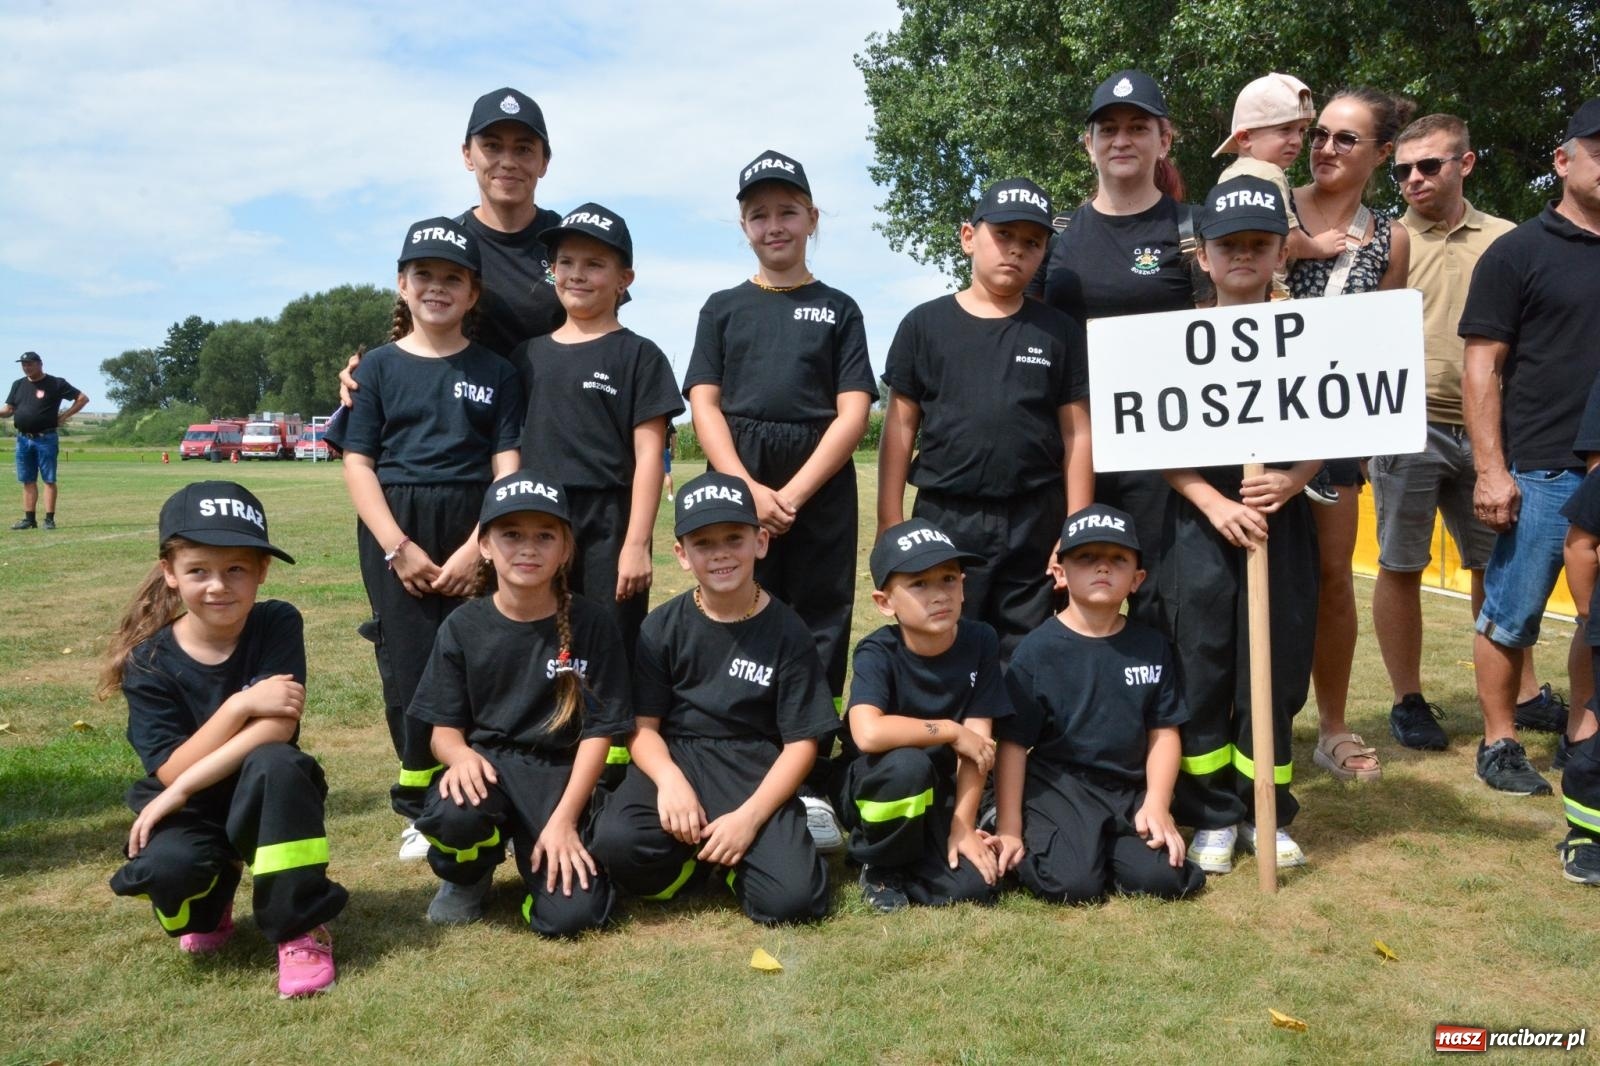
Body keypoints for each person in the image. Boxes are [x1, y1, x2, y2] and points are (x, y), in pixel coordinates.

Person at [683, 150, 876, 850]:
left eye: (787, 212)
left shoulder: (839, 309)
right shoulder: (723, 307)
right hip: (738, 482)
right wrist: (743, 489)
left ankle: (814, 778)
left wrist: (791, 493)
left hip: (816, 486)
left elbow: (853, 411)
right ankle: (732, 757)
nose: (774, 225)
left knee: (819, 621)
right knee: (733, 613)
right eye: (759, 214)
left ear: (812, 219)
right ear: (743, 225)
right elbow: (704, 403)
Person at [101, 481, 346, 999]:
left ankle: (298, 929)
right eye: (198, 571)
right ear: (170, 572)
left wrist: (180, 783)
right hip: (188, 808)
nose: (219, 586)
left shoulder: (276, 621)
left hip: (265, 798)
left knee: (278, 764)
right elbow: (168, 769)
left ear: (261, 571)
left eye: (236, 568)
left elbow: (276, 727)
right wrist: (238, 705)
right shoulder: (147, 661)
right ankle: (211, 901)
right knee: (169, 877)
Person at [328, 217, 524, 856]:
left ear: (473, 294)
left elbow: (506, 465)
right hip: (398, 524)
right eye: (424, 276)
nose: (436, 288)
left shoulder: (497, 370)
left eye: (452, 278)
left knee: (479, 657)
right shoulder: (377, 369)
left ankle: (479, 785)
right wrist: (397, 546)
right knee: (410, 665)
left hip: (474, 520)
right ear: (402, 286)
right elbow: (359, 462)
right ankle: (420, 801)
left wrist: (480, 544)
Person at [588, 472, 835, 925]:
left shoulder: (788, 630)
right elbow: (642, 728)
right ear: (682, 554)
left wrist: (751, 818)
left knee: (794, 903)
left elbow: (803, 743)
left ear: (760, 541)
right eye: (703, 543)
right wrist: (669, 781)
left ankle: (736, 861)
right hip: (681, 757)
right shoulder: (661, 627)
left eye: (734, 538)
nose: (721, 553)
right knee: (617, 844)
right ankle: (691, 865)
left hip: (754, 766)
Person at [1165, 176, 1322, 873]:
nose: (1244, 256)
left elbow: (1338, 419)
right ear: (1204, 254)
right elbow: (1147, 440)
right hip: (1201, 523)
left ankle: (1269, 810)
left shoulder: (1311, 332)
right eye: (1229, 245)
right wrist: (1211, 500)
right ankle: (1213, 815)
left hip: (1278, 521)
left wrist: (1293, 479)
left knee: (1277, 666)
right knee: (1203, 663)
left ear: (1281, 252)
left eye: (1260, 243)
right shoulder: (1169, 338)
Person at [879, 177, 1091, 662]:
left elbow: (1077, 432)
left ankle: (1016, 739)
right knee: (944, 636)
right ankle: (949, 736)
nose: (1016, 251)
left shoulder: (1057, 331)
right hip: (946, 515)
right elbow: (899, 427)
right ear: (968, 237)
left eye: (1032, 243)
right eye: (1004, 236)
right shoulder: (923, 325)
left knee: (1026, 646)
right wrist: (890, 521)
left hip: (1034, 515)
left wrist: (1073, 527)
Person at [408, 472, 630, 933]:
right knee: (456, 811)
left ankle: (539, 877)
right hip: (491, 768)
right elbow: (443, 731)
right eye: (511, 535)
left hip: (561, 777)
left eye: (544, 536)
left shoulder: (593, 623)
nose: (528, 548)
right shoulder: (462, 627)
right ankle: (468, 876)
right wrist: (461, 755)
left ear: (565, 548)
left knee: (575, 918)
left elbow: (599, 732)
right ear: (485, 545)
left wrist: (565, 820)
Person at [1461, 97, 1600, 795]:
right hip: (1544, 467)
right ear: (1563, 159)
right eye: (1598, 148)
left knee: (1596, 619)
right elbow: (1481, 364)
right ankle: (1499, 742)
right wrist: (1491, 469)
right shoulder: (1517, 251)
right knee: (1511, 612)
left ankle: (1583, 738)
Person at [1370, 114, 1519, 755]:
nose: (1413, 180)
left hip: (1493, 432)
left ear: (1467, 164)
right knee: (1401, 565)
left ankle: (1512, 701)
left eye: (1429, 166)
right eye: (1402, 169)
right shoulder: (1389, 241)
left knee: (1499, 568)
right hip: (1407, 423)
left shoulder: (1511, 241)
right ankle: (1407, 700)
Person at [1035, 70, 1197, 623]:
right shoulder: (1054, 235)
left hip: (1163, 452)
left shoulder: (1193, 231)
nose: (1122, 140)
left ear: (1164, 140)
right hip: (1069, 447)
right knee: (1064, 591)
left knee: (1161, 599)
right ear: (1089, 144)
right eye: (1108, 129)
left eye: (1137, 127)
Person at [1288, 88, 1413, 783]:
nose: (1326, 149)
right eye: (1320, 135)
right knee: (1255, 578)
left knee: (1334, 581)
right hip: (1251, 420)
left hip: (1335, 437)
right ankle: (1255, 721)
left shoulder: (1391, 238)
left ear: (1382, 154)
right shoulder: (1271, 200)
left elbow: (1384, 344)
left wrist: (1361, 442)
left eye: (1346, 139)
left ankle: (1330, 727)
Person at [992, 503, 1205, 903]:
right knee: (1073, 886)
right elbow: (1014, 743)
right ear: (1060, 572)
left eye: (1117, 560)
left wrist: (1158, 804)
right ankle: (1067, 843)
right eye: (1087, 558)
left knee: (1162, 881)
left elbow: (1164, 730)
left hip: (1128, 789)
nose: (1102, 568)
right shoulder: (1036, 651)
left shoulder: (1151, 646)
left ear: (1137, 578)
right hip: (1061, 785)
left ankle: (1103, 845)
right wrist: (1009, 825)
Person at [512, 204, 681, 654]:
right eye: (565, 263)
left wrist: (636, 545)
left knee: (609, 646)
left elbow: (649, 457)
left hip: (609, 522)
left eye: (594, 264)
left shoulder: (641, 357)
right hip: (539, 517)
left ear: (624, 279)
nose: (577, 275)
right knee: (539, 645)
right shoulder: (525, 356)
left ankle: (611, 726)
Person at [840, 518, 1006, 912]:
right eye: (919, 584)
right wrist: (948, 730)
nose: (939, 595)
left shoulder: (981, 640)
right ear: (885, 603)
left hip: (941, 791)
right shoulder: (876, 651)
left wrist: (963, 826)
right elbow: (867, 733)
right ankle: (879, 864)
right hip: (881, 785)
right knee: (907, 767)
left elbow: (978, 747)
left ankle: (925, 851)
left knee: (976, 888)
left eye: (949, 579)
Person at [1212, 71, 1325, 297]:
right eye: (1284, 129)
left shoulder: (1228, 175)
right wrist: (1322, 247)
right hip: (1271, 292)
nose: (1296, 141)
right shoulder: (1268, 174)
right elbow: (1290, 239)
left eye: (1301, 130)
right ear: (1244, 138)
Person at [4, 351, 88, 530]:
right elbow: (9, 409)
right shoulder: (18, 385)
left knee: (49, 479)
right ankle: (29, 519)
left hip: (45, 438)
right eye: (24, 364)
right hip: (23, 439)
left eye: (30, 364)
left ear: (40, 364)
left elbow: (82, 399)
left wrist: (64, 416)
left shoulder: (56, 383)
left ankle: (49, 519)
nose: (26, 367)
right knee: (27, 480)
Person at [663, 423, 677, 503]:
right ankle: (670, 495)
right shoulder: (669, 422)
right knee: (667, 474)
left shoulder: (651, 417)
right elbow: (673, 436)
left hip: (652, 450)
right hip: (665, 450)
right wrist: (673, 451)